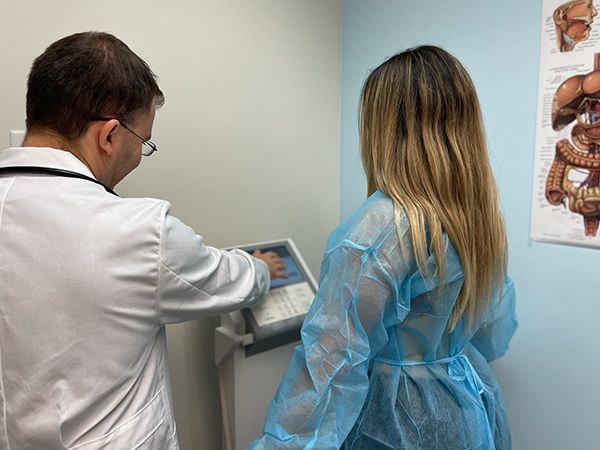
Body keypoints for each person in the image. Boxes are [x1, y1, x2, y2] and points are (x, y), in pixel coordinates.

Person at [0, 31, 287, 449]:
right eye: (143, 141)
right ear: (110, 135)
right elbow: (224, 278)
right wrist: (263, 267)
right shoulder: (137, 232)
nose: (139, 154)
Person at [249, 46, 517, 450]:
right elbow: (494, 333)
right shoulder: (478, 221)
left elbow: (329, 365)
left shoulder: (379, 229)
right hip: (467, 411)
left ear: (386, 129)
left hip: (397, 424)